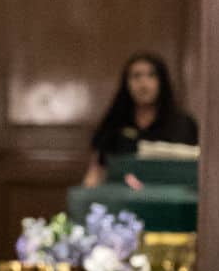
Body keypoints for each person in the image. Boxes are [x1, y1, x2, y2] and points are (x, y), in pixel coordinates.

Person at [85, 52, 198, 186]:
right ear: (127, 83)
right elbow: (97, 169)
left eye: (151, 75)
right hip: (122, 198)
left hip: (168, 197)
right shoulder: (114, 122)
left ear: (162, 82)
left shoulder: (183, 124)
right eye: (136, 76)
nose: (143, 84)